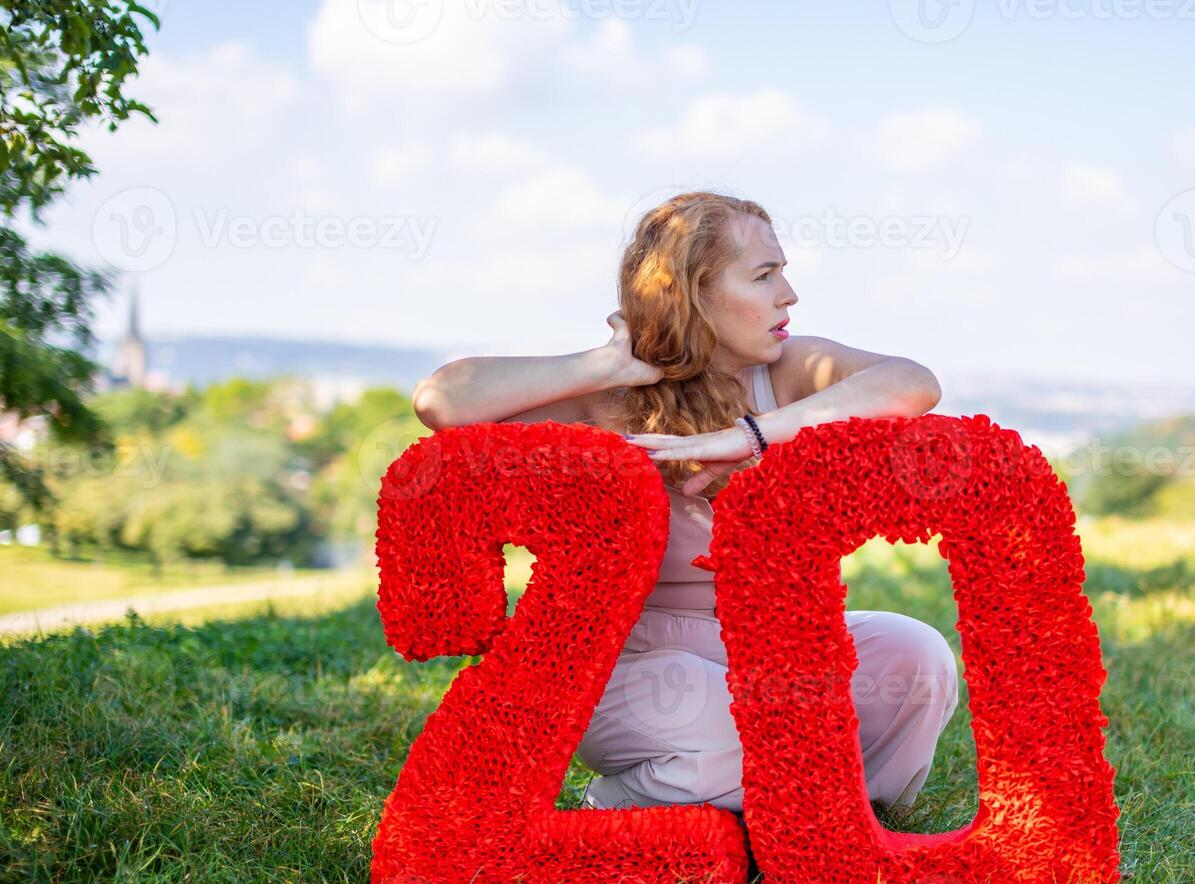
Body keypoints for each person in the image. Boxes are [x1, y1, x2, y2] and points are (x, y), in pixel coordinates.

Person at [410, 190, 960, 820]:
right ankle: (612, 810)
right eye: (764, 275)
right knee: (725, 726)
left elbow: (914, 382)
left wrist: (748, 435)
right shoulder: (607, 399)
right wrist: (603, 364)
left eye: (782, 270)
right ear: (692, 293)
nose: (789, 294)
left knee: (915, 656)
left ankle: (829, 823)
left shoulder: (785, 370)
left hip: (766, 645)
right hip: (632, 661)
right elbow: (442, 403)